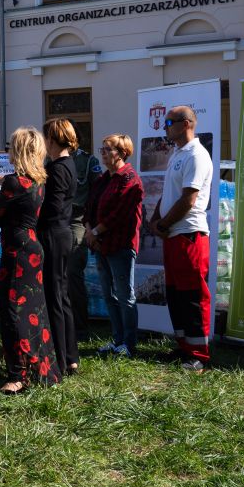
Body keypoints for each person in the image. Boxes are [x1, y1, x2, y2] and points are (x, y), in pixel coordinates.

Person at [0, 127, 58, 394]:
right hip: (32, 248)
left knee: (12, 313)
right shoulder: (37, 180)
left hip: (16, 253)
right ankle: (41, 369)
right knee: (35, 312)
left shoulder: (15, 183)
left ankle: (17, 375)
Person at [149, 105, 214, 372]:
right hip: (173, 234)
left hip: (189, 234)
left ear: (186, 124)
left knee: (193, 295)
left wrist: (163, 223)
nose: (165, 127)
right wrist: (156, 220)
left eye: (169, 122)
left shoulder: (197, 155)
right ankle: (184, 346)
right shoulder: (178, 153)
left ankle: (199, 355)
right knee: (176, 293)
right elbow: (169, 194)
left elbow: (189, 198)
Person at [84, 134, 144, 357]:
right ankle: (117, 339)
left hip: (119, 245)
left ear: (122, 153)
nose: (104, 153)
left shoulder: (129, 178)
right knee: (109, 295)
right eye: (102, 149)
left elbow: (121, 214)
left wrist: (96, 231)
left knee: (124, 295)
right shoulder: (102, 180)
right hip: (99, 245)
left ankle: (129, 344)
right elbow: (89, 206)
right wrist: (90, 230)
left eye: (108, 149)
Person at [39, 118, 79, 376]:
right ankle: (70, 357)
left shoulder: (57, 169)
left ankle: (61, 361)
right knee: (61, 297)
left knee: (55, 297)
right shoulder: (66, 165)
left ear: (52, 140)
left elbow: (51, 208)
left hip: (53, 234)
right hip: (60, 233)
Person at [66, 142, 102, 339]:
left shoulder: (88, 161)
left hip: (78, 220)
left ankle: (79, 329)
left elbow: (98, 194)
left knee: (73, 273)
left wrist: (93, 226)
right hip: (55, 221)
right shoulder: (49, 159)